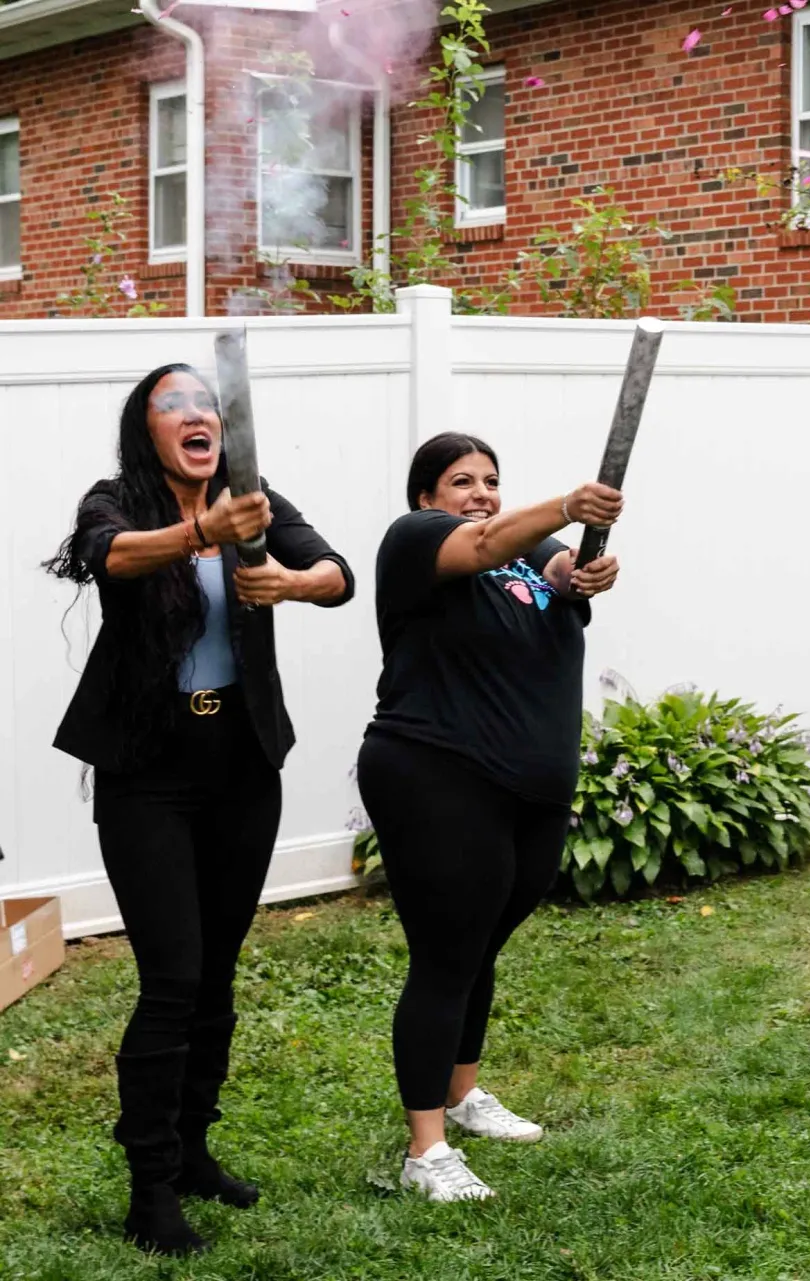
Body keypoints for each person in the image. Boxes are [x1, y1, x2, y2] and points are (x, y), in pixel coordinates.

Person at [45, 364, 354, 1255]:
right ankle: (149, 1188)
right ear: (146, 432)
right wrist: (199, 533)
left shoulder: (254, 499)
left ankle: (190, 1150)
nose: (196, 414)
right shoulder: (117, 502)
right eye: (172, 404)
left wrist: (289, 583)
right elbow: (110, 557)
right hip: (149, 771)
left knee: (215, 975)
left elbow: (337, 573)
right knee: (173, 978)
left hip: (241, 766)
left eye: (205, 404)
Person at [356, 432, 623, 1202]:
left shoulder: (526, 552)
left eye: (491, 480)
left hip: (529, 787)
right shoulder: (415, 541)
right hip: (437, 773)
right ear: (426, 497)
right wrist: (569, 505)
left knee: (479, 945)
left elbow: (560, 566)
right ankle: (425, 1148)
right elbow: (482, 543)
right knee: (446, 955)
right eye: (461, 480)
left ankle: (462, 1092)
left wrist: (587, 568)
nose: (481, 492)